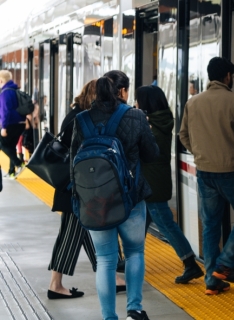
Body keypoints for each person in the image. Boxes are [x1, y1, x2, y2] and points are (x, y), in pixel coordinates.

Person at [71, 73, 159, 320]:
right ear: (120, 91)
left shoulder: (82, 120)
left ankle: (109, 316)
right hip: (131, 199)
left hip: (96, 202)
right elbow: (152, 154)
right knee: (134, 252)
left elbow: (73, 164)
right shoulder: (136, 116)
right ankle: (134, 309)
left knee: (106, 260)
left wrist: (81, 200)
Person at [179, 57, 234, 295]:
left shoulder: (193, 103)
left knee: (210, 224)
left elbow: (183, 135)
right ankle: (225, 263)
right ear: (227, 77)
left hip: (205, 172)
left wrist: (200, 153)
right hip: (231, 170)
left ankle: (212, 280)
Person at [47, 80, 126, 300]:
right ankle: (55, 284)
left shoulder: (75, 114)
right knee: (71, 235)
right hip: (78, 188)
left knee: (91, 231)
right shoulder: (82, 119)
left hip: (79, 186)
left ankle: (113, 277)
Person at [135, 85, 204, 284]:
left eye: (139, 100)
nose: (136, 104)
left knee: (166, 224)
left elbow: (144, 151)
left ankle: (190, 263)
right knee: (141, 224)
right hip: (155, 180)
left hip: (153, 183)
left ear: (146, 103)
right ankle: (129, 259)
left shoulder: (150, 126)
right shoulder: (161, 121)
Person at [0, 70, 26, 179]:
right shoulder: (15, 89)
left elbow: (6, 111)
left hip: (11, 124)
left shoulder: (5, 92)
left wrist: (4, 127)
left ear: (1, 80)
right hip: (20, 123)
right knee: (11, 146)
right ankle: (11, 171)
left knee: (2, 144)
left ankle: (18, 163)